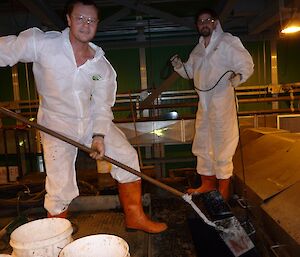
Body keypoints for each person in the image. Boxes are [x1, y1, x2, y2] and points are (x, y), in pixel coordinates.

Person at [0, 0, 167, 233]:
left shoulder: (101, 67)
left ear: (97, 24)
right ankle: (57, 235)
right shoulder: (43, 45)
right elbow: (7, 49)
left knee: (127, 158)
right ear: (68, 19)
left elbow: (102, 105)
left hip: (90, 122)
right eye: (80, 18)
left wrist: (98, 135)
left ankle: (135, 217)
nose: (85, 25)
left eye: (91, 20)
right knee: (60, 187)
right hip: (56, 125)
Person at [171, 8, 254, 201]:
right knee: (203, 142)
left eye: (208, 20)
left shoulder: (227, 42)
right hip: (204, 104)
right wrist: (178, 66)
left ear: (215, 22)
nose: (204, 23)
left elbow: (246, 63)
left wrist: (239, 76)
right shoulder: (198, 50)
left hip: (222, 101)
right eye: (201, 21)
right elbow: (190, 72)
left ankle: (223, 189)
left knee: (223, 142)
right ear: (197, 25)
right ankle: (207, 184)